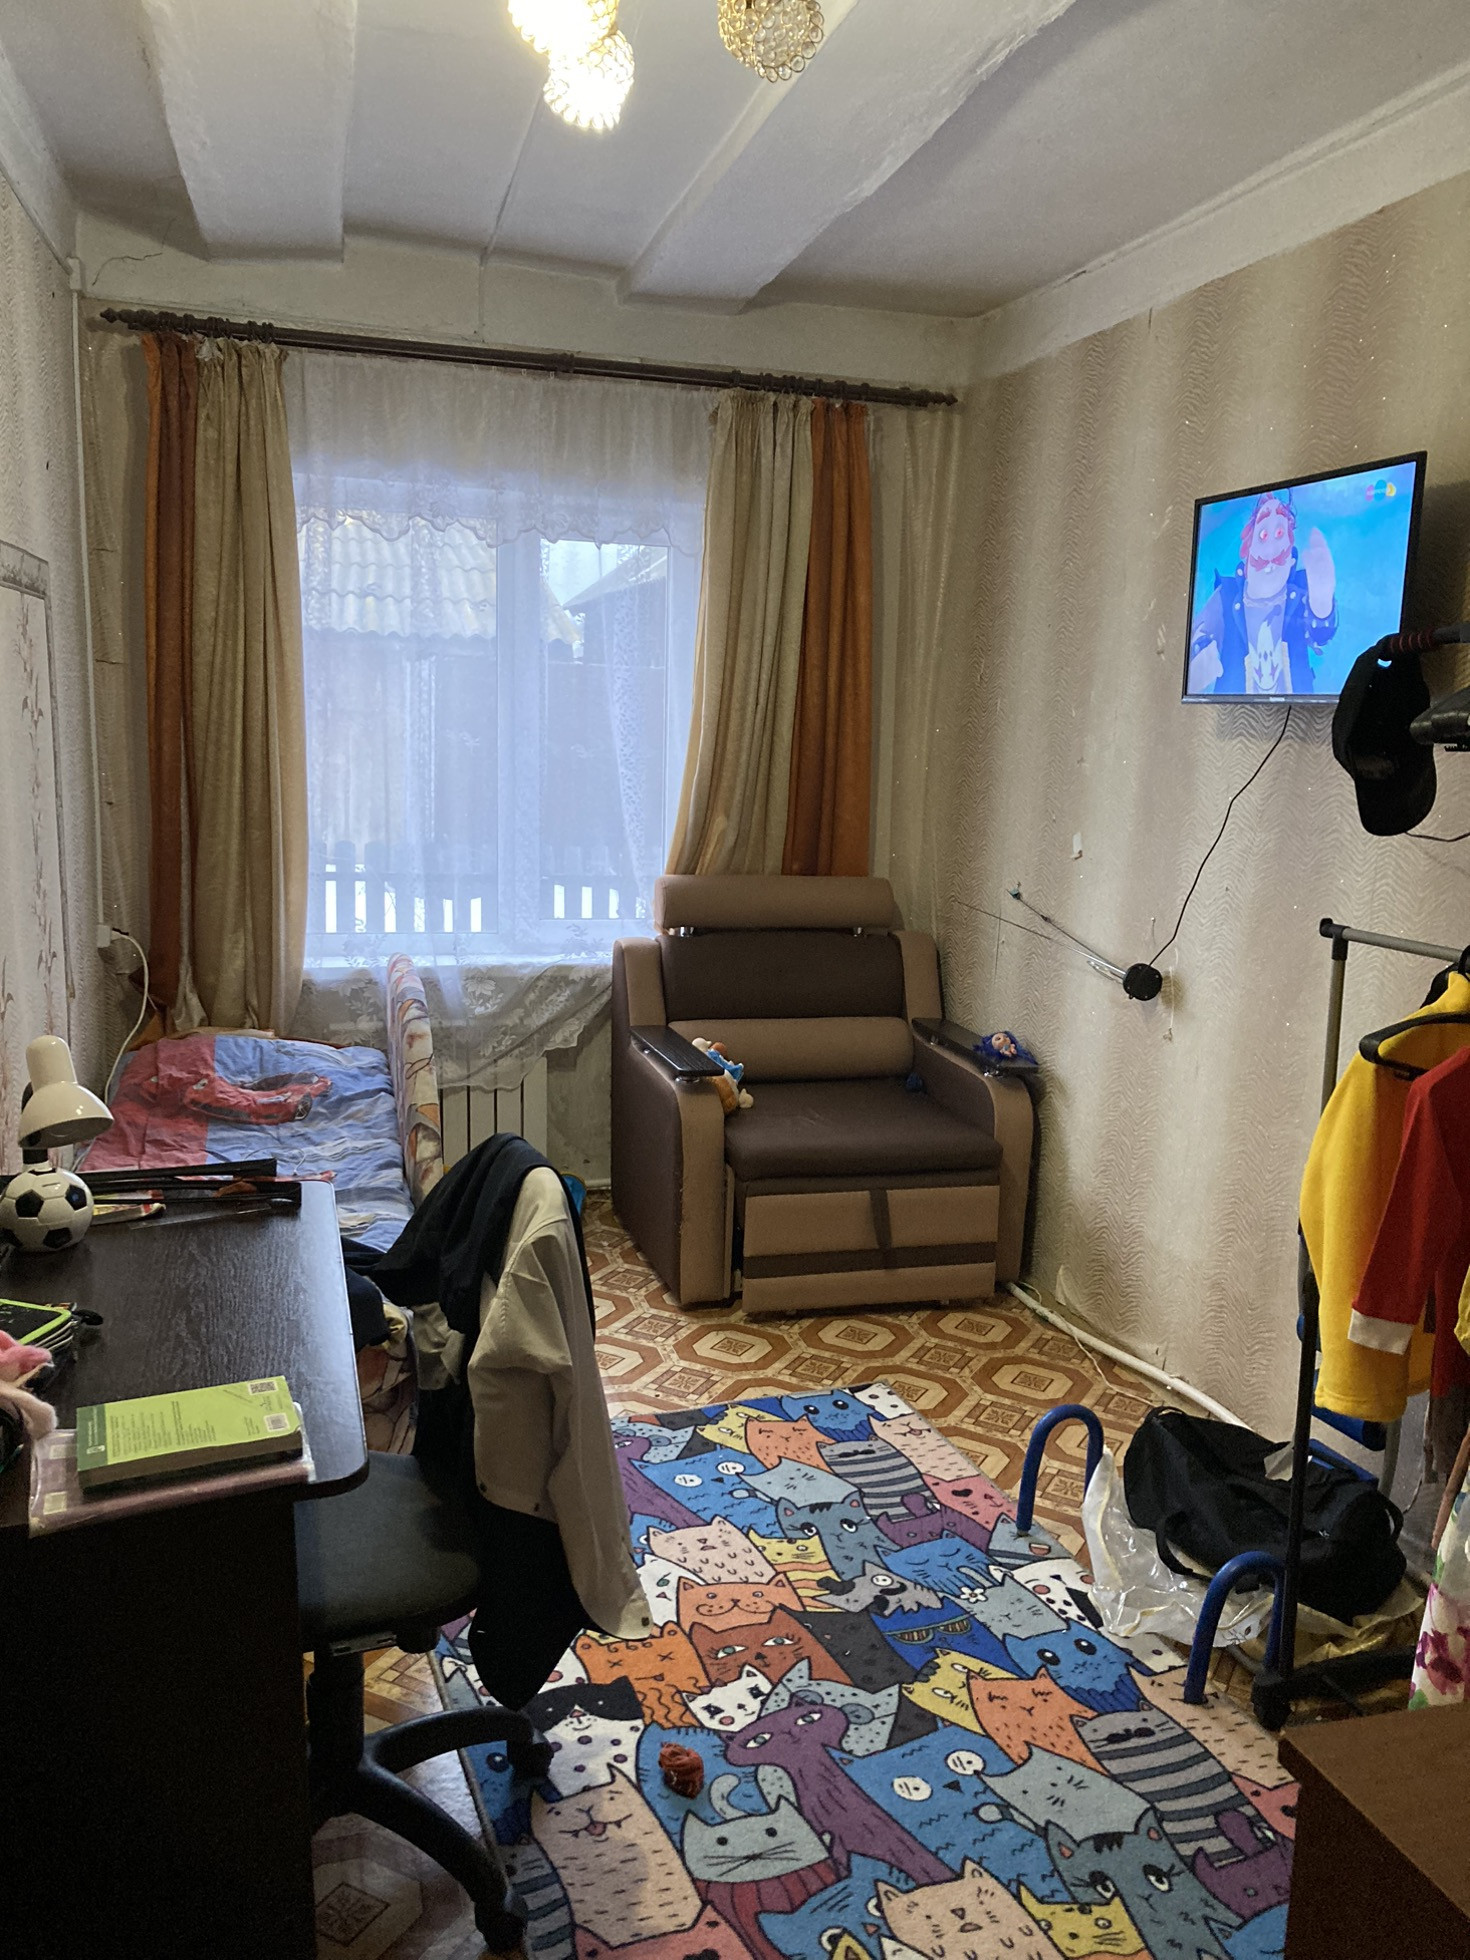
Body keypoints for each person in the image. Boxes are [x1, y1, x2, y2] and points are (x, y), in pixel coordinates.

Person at [1189, 488, 1337, 694]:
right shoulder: (1226, 596)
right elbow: (1193, 648)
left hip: (1299, 713)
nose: (1271, 549)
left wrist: (1322, 603)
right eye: (1264, 535)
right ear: (1247, 550)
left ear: (1291, 557)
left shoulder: (1304, 587)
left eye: (1279, 534)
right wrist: (1197, 669)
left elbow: (1321, 635)